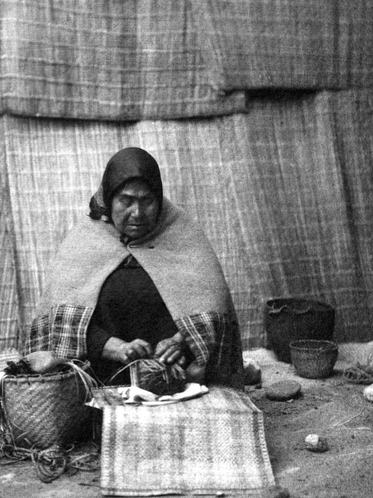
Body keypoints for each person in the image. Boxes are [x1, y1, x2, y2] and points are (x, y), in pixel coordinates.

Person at [26, 147, 244, 389]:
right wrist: (116, 348)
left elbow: (212, 305)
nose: (137, 213)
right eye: (126, 201)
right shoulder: (85, 238)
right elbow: (64, 321)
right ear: (109, 199)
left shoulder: (180, 230)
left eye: (147, 201)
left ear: (159, 199)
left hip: (175, 373)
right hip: (100, 377)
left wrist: (180, 341)